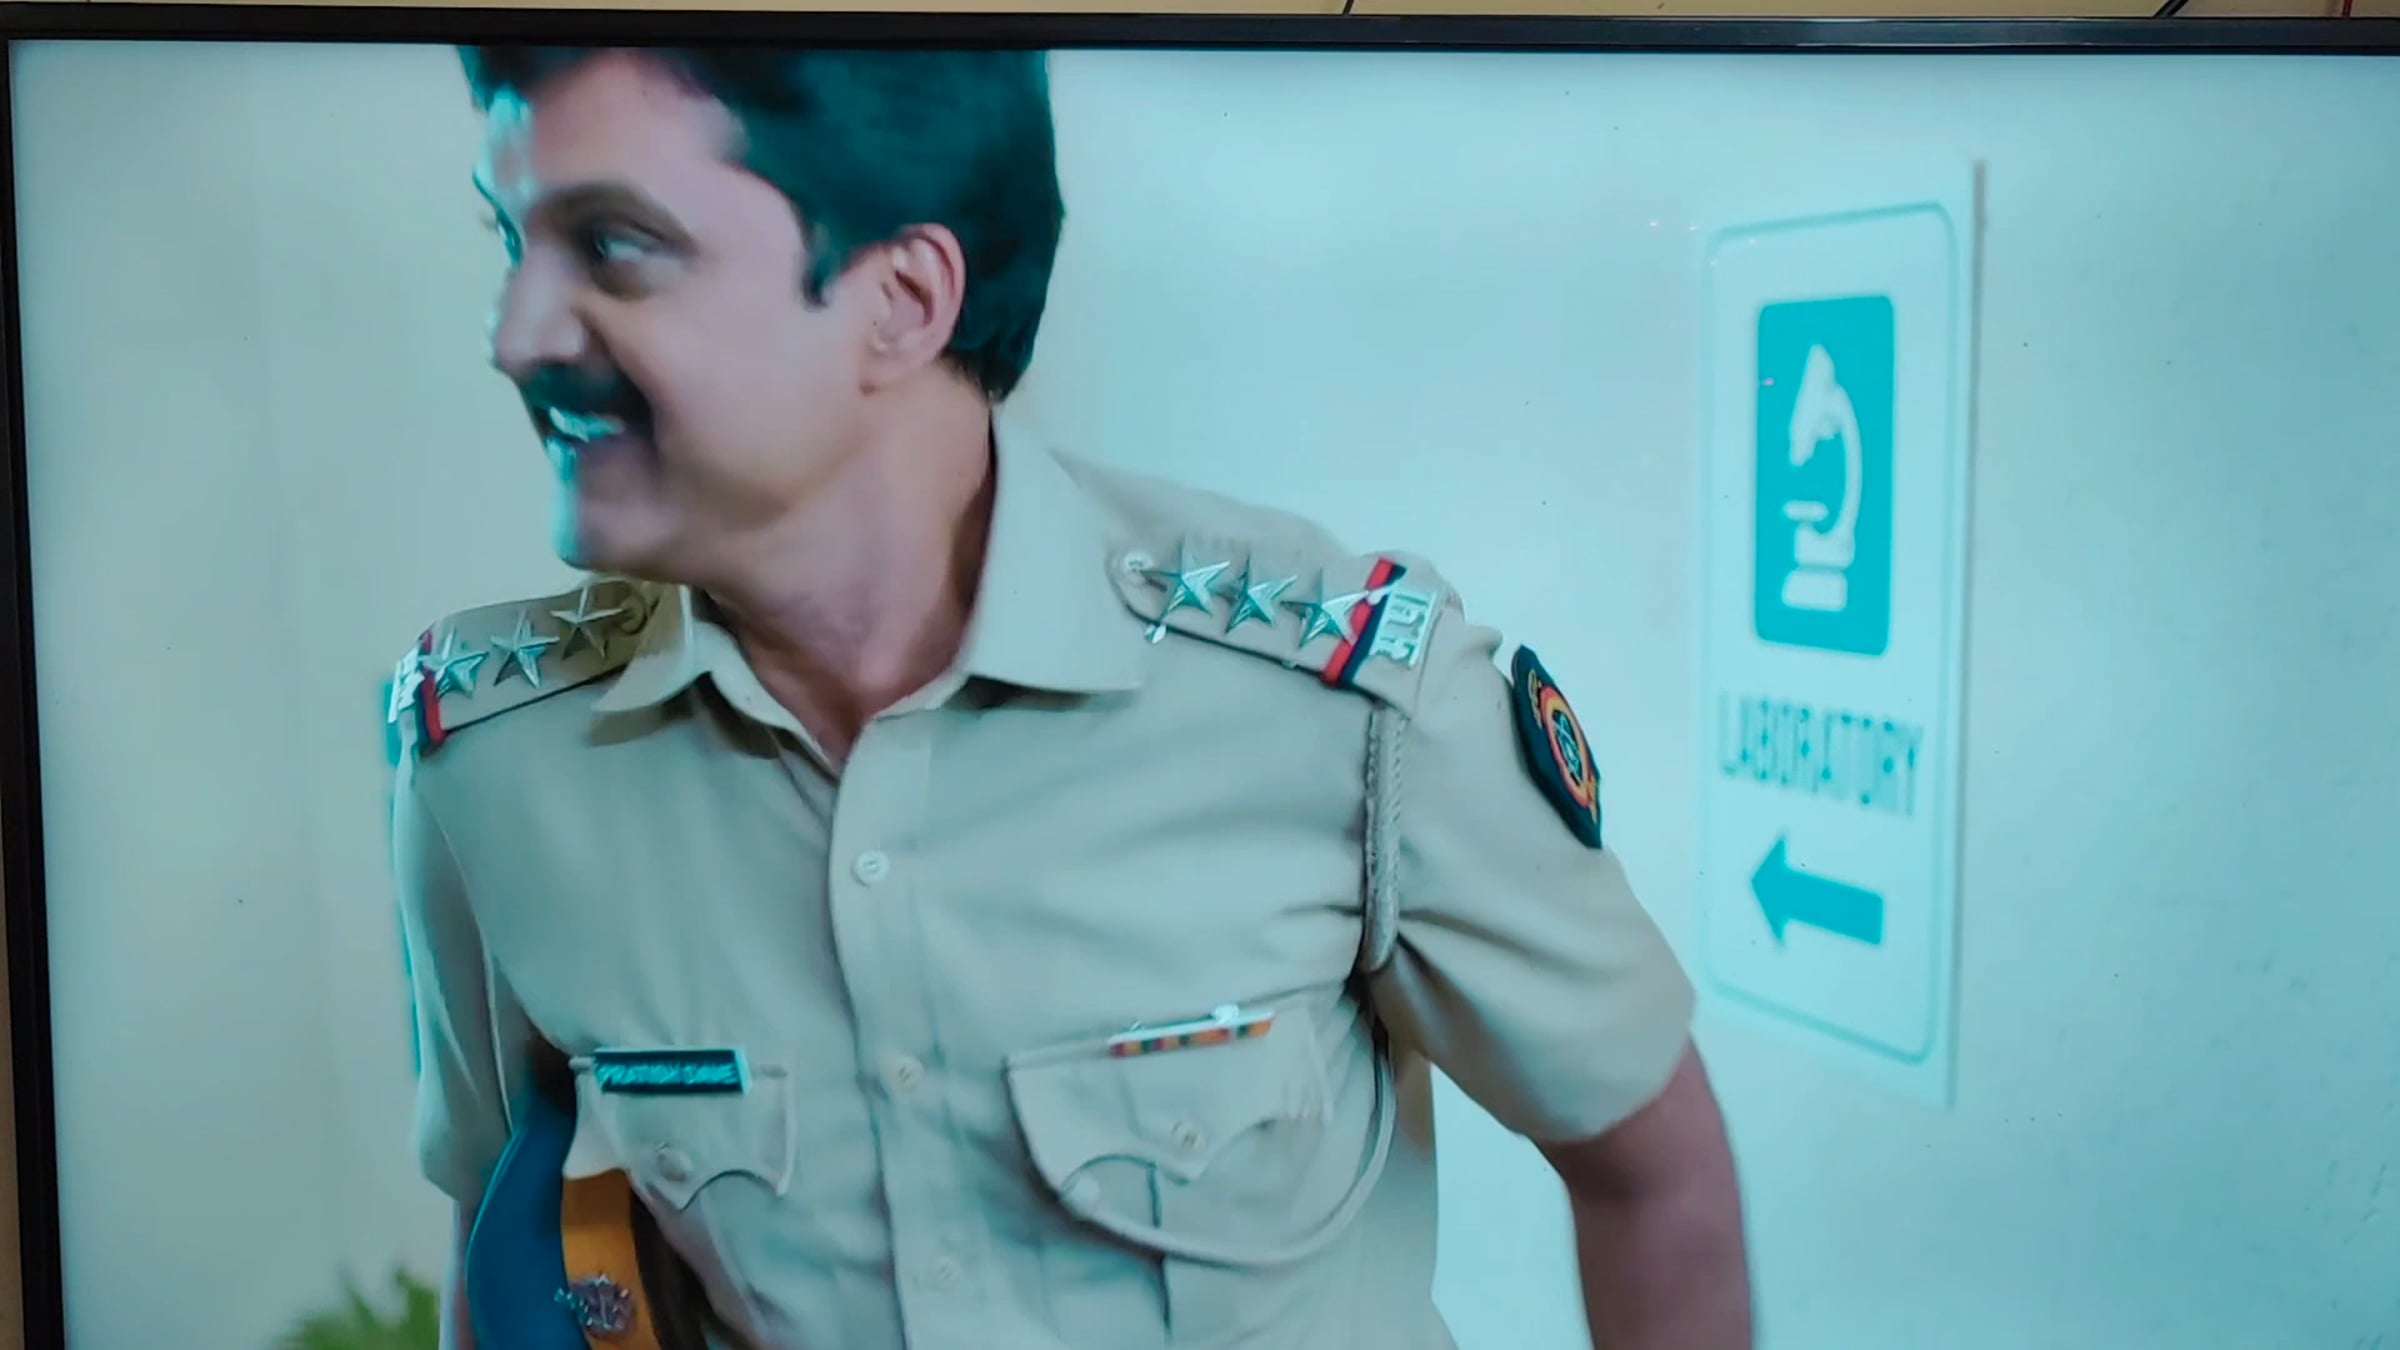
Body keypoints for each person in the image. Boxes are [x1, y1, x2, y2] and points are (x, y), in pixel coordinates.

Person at [389, 43, 1753, 1350]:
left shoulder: (1342, 704)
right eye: (510, 241)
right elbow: (506, 1259)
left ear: (902, 297)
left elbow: (1656, 1176)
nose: (514, 336)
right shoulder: (495, 765)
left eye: (614, 245)